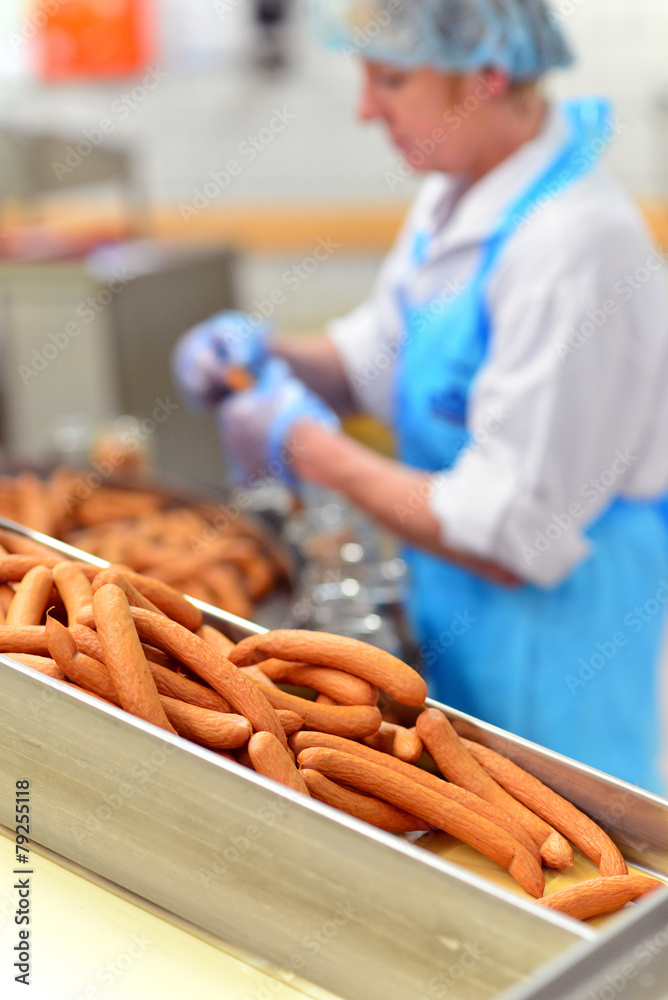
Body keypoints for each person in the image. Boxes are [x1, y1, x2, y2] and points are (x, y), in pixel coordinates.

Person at [171, 0, 668, 794]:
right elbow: (378, 358)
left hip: (559, 645)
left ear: (489, 74)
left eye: (392, 79)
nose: (367, 109)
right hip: (459, 617)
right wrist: (269, 353)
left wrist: (309, 449)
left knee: (572, 868)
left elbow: (511, 538)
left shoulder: (574, 245)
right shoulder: (458, 196)